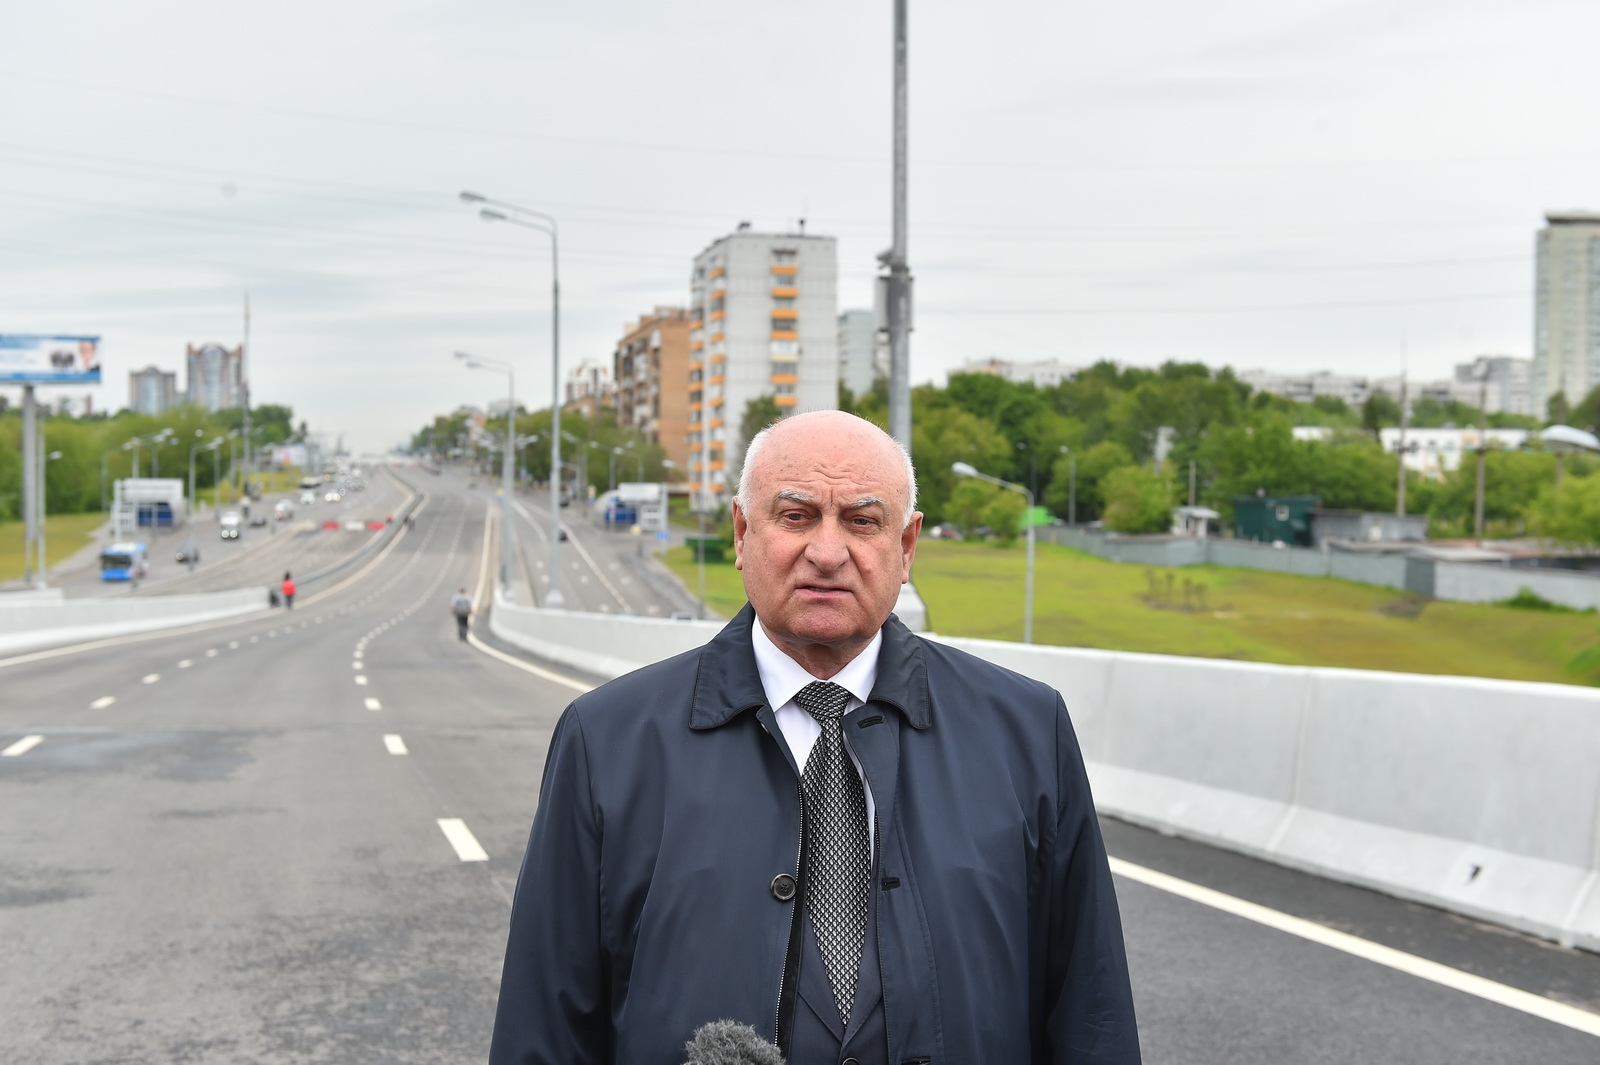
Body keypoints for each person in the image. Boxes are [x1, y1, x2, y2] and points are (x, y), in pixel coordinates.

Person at [489, 411, 1139, 1065]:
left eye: (862, 521)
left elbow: (1092, 1014)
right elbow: (545, 1025)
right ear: (742, 532)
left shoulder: (1026, 733)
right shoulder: (606, 742)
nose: (828, 553)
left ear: (907, 546)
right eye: (796, 516)